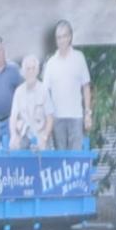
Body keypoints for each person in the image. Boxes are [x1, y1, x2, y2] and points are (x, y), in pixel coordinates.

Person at [38, 21, 92, 151]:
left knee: (75, 158)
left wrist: (88, 114)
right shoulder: (51, 63)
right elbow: (44, 93)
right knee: (60, 159)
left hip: (76, 117)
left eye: (64, 36)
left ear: (70, 37)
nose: (61, 40)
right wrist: (45, 120)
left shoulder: (79, 58)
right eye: (58, 37)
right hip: (57, 119)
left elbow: (86, 87)